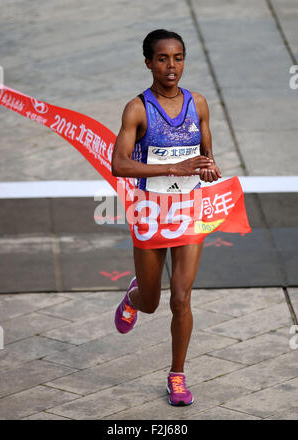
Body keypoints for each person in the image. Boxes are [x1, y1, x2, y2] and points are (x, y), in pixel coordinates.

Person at [111, 29, 221, 406]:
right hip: (149, 211)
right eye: (162, 59)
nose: (171, 66)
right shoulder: (137, 108)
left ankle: (177, 375)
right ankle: (134, 296)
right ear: (148, 63)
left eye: (177, 58)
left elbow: (206, 152)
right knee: (153, 300)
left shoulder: (200, 104)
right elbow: (119, 164)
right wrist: (175, 169)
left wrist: (208, 167)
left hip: (189, 211)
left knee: (180, 298)